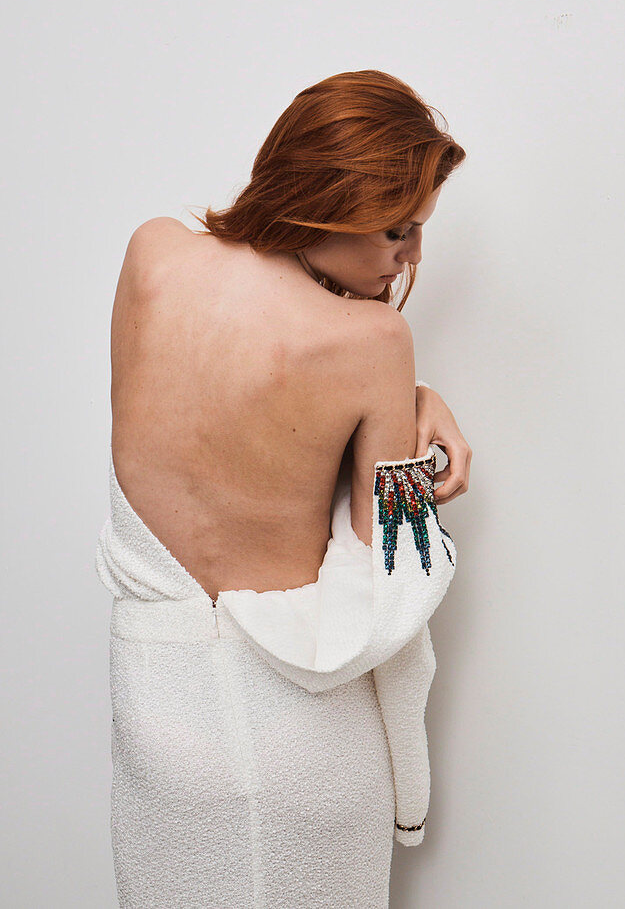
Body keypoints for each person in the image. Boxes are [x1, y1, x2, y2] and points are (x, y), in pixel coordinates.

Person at [96, 69, 472, 908]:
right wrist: (411, 412)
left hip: (162, 725)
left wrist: (406, 395)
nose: (411, 258)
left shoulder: (151, 253)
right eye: (395, 233)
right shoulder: (374, 340)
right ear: (322, 202)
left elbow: (194, 393)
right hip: (303, 730)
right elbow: (397, 558)